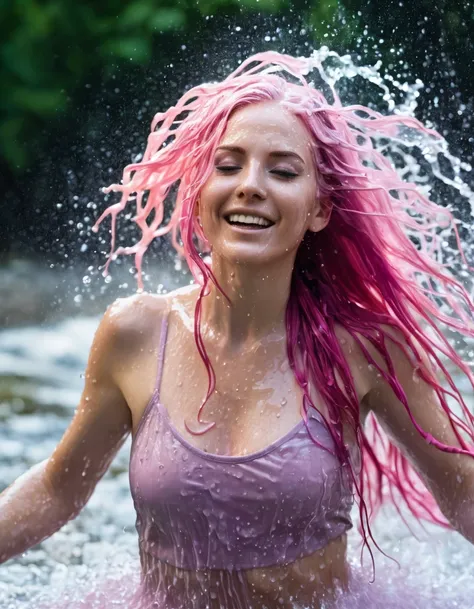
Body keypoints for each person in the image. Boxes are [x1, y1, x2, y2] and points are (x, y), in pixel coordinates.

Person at [1, 51, 474, 609]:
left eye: (283, 170)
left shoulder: (365, 347)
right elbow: (59, 490)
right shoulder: (134, 333)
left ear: (320, 208)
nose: (251, 185)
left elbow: (462, 495)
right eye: (227, 166)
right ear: (199, 197)